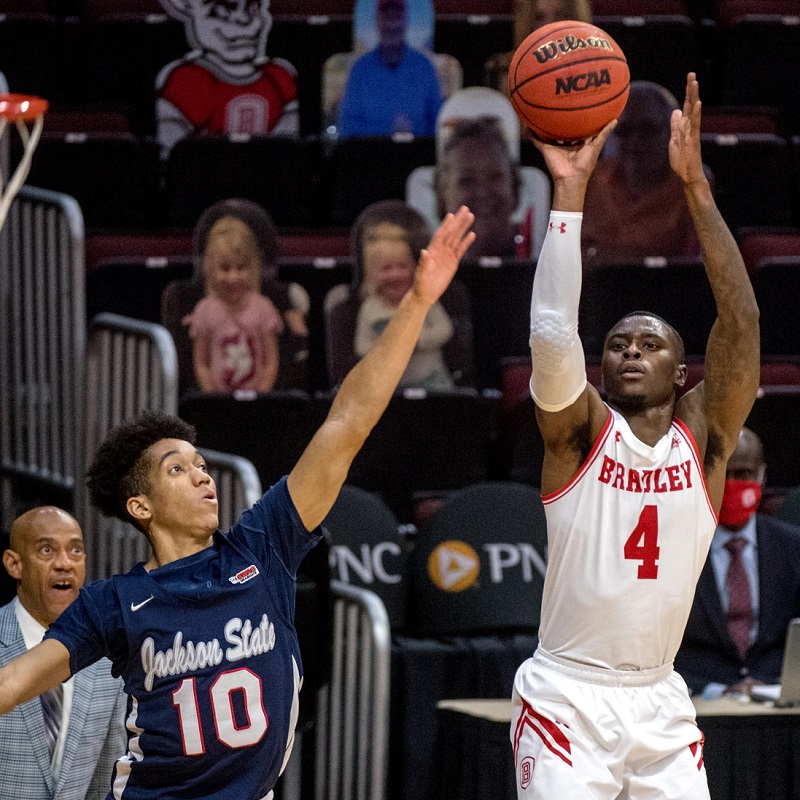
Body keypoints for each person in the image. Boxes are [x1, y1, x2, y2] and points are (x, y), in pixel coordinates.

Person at [0, 208, 475, 800]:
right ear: (141, 507)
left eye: (201, 464)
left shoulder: (263, 544)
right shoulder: (114, 603)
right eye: (179, 469)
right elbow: (14, 681)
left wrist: (417, 303)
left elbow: (347, 423)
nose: (203, 476)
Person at [511, 73, 759, 799]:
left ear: (684, 372)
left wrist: (697, 191)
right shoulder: (578, 436)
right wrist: (570, 195)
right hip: (565, 698)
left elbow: (740, 324)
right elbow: (554, 334)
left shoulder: (706, 441)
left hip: (661, 703)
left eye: (649, 344)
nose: (627, 350)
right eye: (618, 343)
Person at [0, 507, 126, 800]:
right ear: (14, 564)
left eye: (76, 551)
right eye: (47, 550)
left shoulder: (106, 659)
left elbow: (105, 784)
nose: (65, 564)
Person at [675, 428, 800, 698]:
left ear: (762, 475)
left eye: (742, 474)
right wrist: (717, 690)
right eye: (723, 474)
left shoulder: (792, 547)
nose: (731, 484)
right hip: (700, 700)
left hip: (775, 701)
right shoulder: (676, 548)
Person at [581, 81, 704, 267]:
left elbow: (694, 268)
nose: (635, 142)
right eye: (624, 131)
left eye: (648, 130)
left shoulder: (692, 186)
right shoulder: (590, 181)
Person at [156, 0, 298, 158]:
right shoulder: (190, 81)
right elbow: (171, 153)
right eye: (220, 11)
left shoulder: (278, 78)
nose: (243, 20)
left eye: (252, 8)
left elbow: (288, 152)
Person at [354, 201, 455, 392]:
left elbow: (444, 329)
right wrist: (385, 348)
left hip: (431, 380)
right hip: (389, 386)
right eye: (386, 269)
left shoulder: (425, 300)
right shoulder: (370, 308)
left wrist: (417, 341)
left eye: (402, 267)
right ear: (372, 273)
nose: (395, 275)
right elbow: (361, 346)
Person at [188, 213, 284, 394]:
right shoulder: (204, 311)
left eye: (241, 268)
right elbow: (201, 363)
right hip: (218, 403)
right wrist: (212, 397)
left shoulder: (263, 308)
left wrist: (259, 397)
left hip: (256, 402)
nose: (233, 277)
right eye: (225, 268)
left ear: (253, 267)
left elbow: (271, 363)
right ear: (210, 267)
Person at [337, 0, 443, 139]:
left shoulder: (424, 67)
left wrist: (414, 133)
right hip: (368, 155)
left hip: (419, 154)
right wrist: (388, 130)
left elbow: (438, 121)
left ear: (406, 21)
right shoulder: (360, 69)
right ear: (377, 22)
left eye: (397, 18)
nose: (391, 25)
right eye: (387, 18)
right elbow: (346, 125)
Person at [435, 116, 525, 261]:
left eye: (495, 177)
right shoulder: (417, 268)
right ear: (442, 192)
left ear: (514, 185)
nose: (482, 193)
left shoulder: (543, 256)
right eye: (467, 180)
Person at [483, 0, 593, 96]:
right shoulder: (503, 69)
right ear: (526, 22)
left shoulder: (597, 69)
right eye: (539, 18)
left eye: (560, 15)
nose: (549, 26)